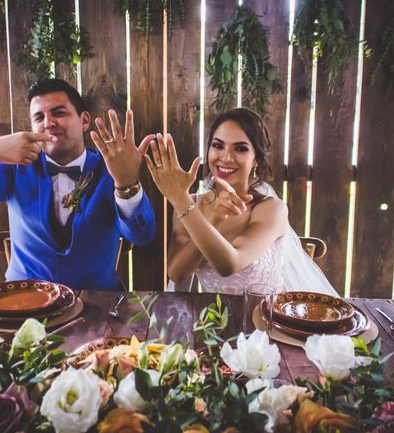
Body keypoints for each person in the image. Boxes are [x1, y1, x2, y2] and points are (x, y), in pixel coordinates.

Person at [0, 78, 157, 290]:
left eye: (59, 113)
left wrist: (127, 183)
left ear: (84, 121)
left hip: (97, 305)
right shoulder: (14, 167)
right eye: (39, 117)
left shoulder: (112, 169)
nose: (48, 123)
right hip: (23, 302)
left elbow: (142, 235)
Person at [145, 107, 338, 296]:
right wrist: (208, 216)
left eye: (240, 148)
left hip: (266, 321)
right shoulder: (190, 205)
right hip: (213, 322)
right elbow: (177, 275)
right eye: (218, 145)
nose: (226, 157)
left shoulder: (271, 210)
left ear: (256, 160)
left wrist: (179, 199)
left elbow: (229, 264)